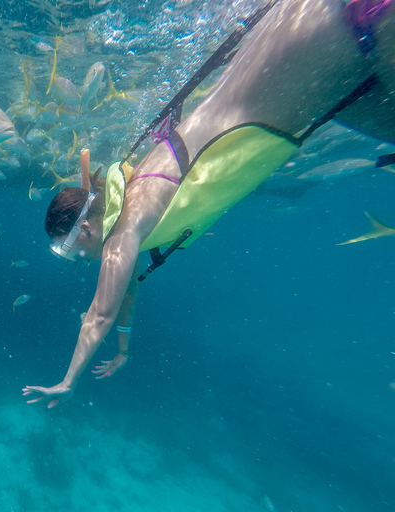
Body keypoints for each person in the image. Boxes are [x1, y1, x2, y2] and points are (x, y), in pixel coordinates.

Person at [23, 0, 395, 408]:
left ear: (85, 229)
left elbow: (99, 314)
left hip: (353, 27)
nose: (78, 258)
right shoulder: (131, 211)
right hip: (344, 51)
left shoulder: (125, 229)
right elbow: (124, 290)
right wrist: (124, 349)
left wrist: (68, 381)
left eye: (68, 250)